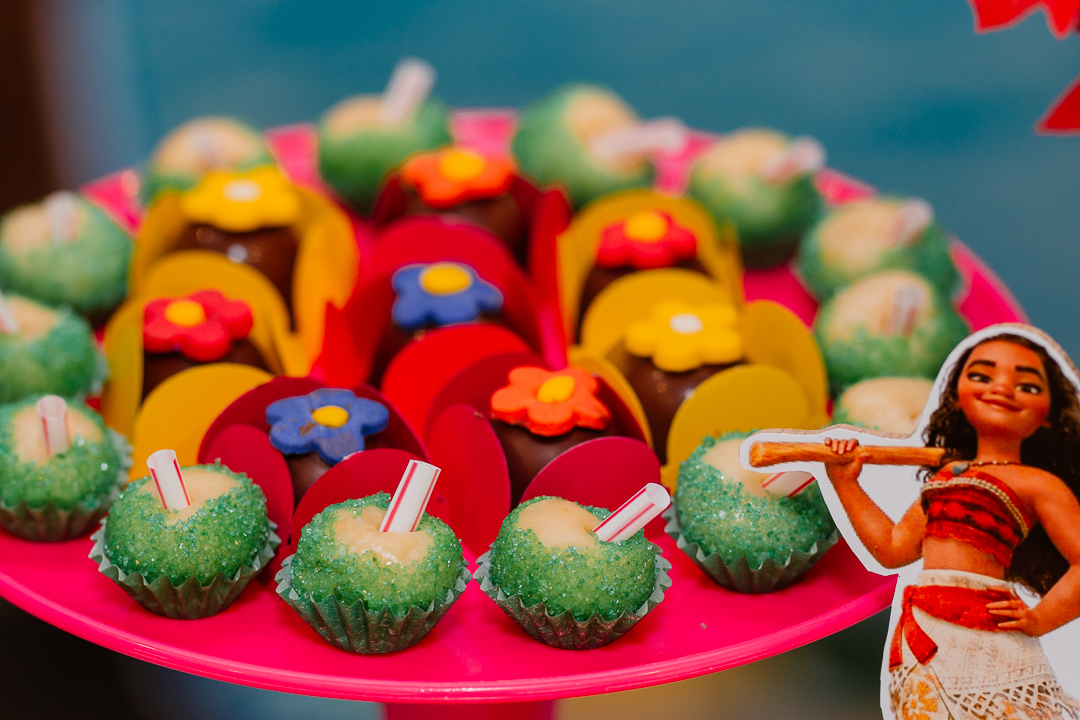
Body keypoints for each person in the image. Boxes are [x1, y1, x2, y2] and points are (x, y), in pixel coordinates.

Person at [822, 332, 1080, 720]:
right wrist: (845, 482)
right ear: (957, 395)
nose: (1001, 388)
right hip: (925, 630)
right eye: (982, 376)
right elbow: (892, 548)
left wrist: (1040, 618)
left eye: (1026, 385)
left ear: (1047, 413)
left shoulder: (1038, 483)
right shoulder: (946, 476)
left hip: (987, 630)